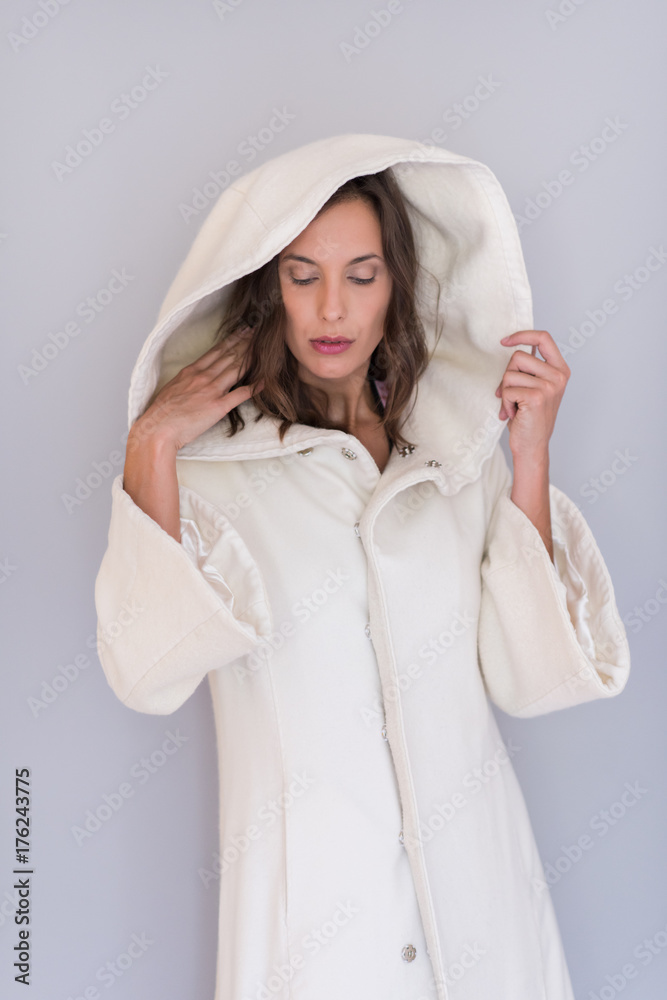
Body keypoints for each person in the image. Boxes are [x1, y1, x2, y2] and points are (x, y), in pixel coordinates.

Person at [94, 133, 631, 1000]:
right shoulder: (213, 473)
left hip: (482, 914)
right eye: (302, 276)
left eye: (361, 274)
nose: (331, 309)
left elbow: (533, 680)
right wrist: (152, 441)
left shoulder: (455, 462)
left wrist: (527, 456)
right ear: (268, 288)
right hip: (314, 931)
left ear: (396, 286)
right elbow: (145, 672)